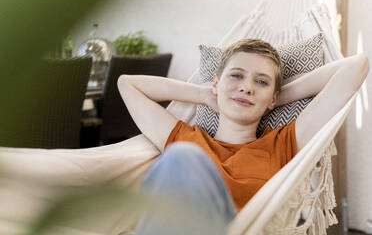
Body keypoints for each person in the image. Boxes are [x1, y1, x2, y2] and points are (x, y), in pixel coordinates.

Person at [117, 38, 370, 235]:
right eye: (236, 75)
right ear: (216, 83)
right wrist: (205, 94)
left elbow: (356, 65)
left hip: (231, 228)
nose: (247, 86)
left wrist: (275, 98)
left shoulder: (281, 143)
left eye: (261, 82)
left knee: (181, 157)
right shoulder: (184, 136)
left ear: (274, 96)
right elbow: (127, 83)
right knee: (180, 157)